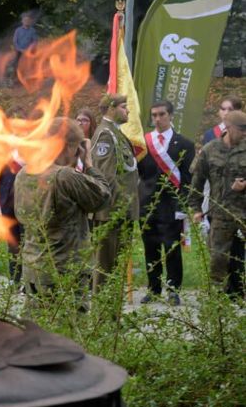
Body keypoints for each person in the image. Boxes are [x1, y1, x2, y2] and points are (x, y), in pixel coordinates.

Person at [15, 118, 111, 295]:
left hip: (33, 266)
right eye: (75, 147)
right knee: (69, 319)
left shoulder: (24, 173)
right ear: (67, 146)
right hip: (65, 268)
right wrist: (88, 164)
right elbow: (102, 197)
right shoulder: (64, 175)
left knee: (36, 319)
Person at [138, 100, 194, 305]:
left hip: (171, 206)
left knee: (171, 249)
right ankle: (153, 289)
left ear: (171, 116)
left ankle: (173, 290)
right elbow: (139, 175)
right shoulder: (143, 143)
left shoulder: (185, 144)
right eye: (154, 115)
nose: (157, 119)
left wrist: (183, 206)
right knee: (150, 248)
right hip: (148, 205)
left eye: (161, 114)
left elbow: (187, 180)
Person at [189, 110, 246, 293]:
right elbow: (197, 181)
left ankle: (239, 291)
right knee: (218, 258)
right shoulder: (210, 150)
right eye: (242, 129)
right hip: (220, 213)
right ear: (229, 128)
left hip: (243, 210)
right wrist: (196, 209)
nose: (245, 133)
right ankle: (216, 300)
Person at [90, 94, 139, 290]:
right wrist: (118, 211)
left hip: (120, 213)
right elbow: (106, 177)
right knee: (106, 270)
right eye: (123, 106)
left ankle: (112, 315)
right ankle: (104, 317)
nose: (127, 111)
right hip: (111, 214)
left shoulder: (116, 133)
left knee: (116, 269)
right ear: (111, 108)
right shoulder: (105, 135)